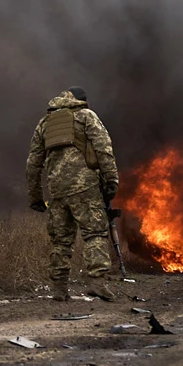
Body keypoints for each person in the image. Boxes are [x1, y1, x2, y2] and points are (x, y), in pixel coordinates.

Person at [25, 87, 121, 302]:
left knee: (61, 241)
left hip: (57, 191)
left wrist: (35, 196)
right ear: (81, 101)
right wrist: (111, 179)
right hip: (84, 187)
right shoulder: (86, 116)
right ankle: (97, 283)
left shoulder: (45, 123)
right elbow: (104, 148)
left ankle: (59, 289)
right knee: (94, 234)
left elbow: (33, 163)